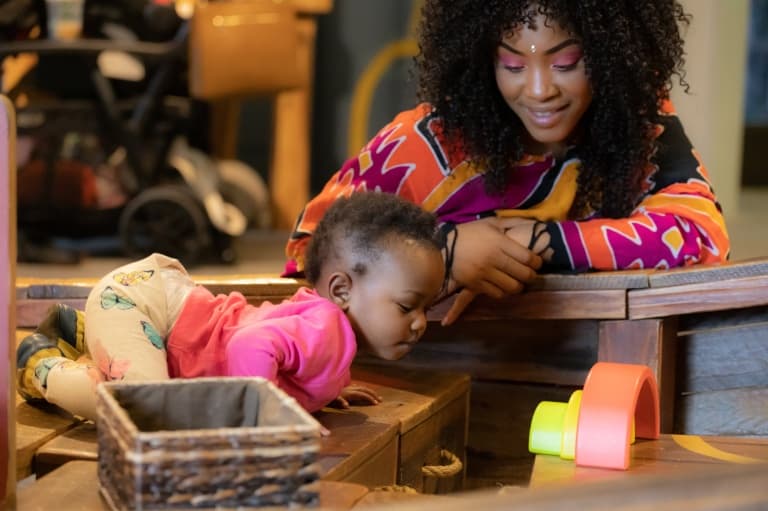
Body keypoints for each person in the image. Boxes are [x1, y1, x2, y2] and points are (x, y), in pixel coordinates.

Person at [284, 0, 730, 326]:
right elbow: (307, 255)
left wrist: (539, 243)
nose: (539, 90)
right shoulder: (423, 147)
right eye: (513, 65)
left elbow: (702, 236)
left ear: (613, 52)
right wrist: (442, 254)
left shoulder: (638, 125)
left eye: (567, 62)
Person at [16, 192, 446, 422]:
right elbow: (249, 346)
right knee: (144, 412)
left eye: (425, 307)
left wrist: (328, 389)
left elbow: (283, 358)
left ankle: (81, 332)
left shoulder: (329, 333)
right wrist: (267, 417)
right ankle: (41, 368)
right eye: (408, 306)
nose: (420, 323)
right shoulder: (329, 328)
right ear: (342, 290)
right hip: (143, 305)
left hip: (158, 306)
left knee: (159, 399)